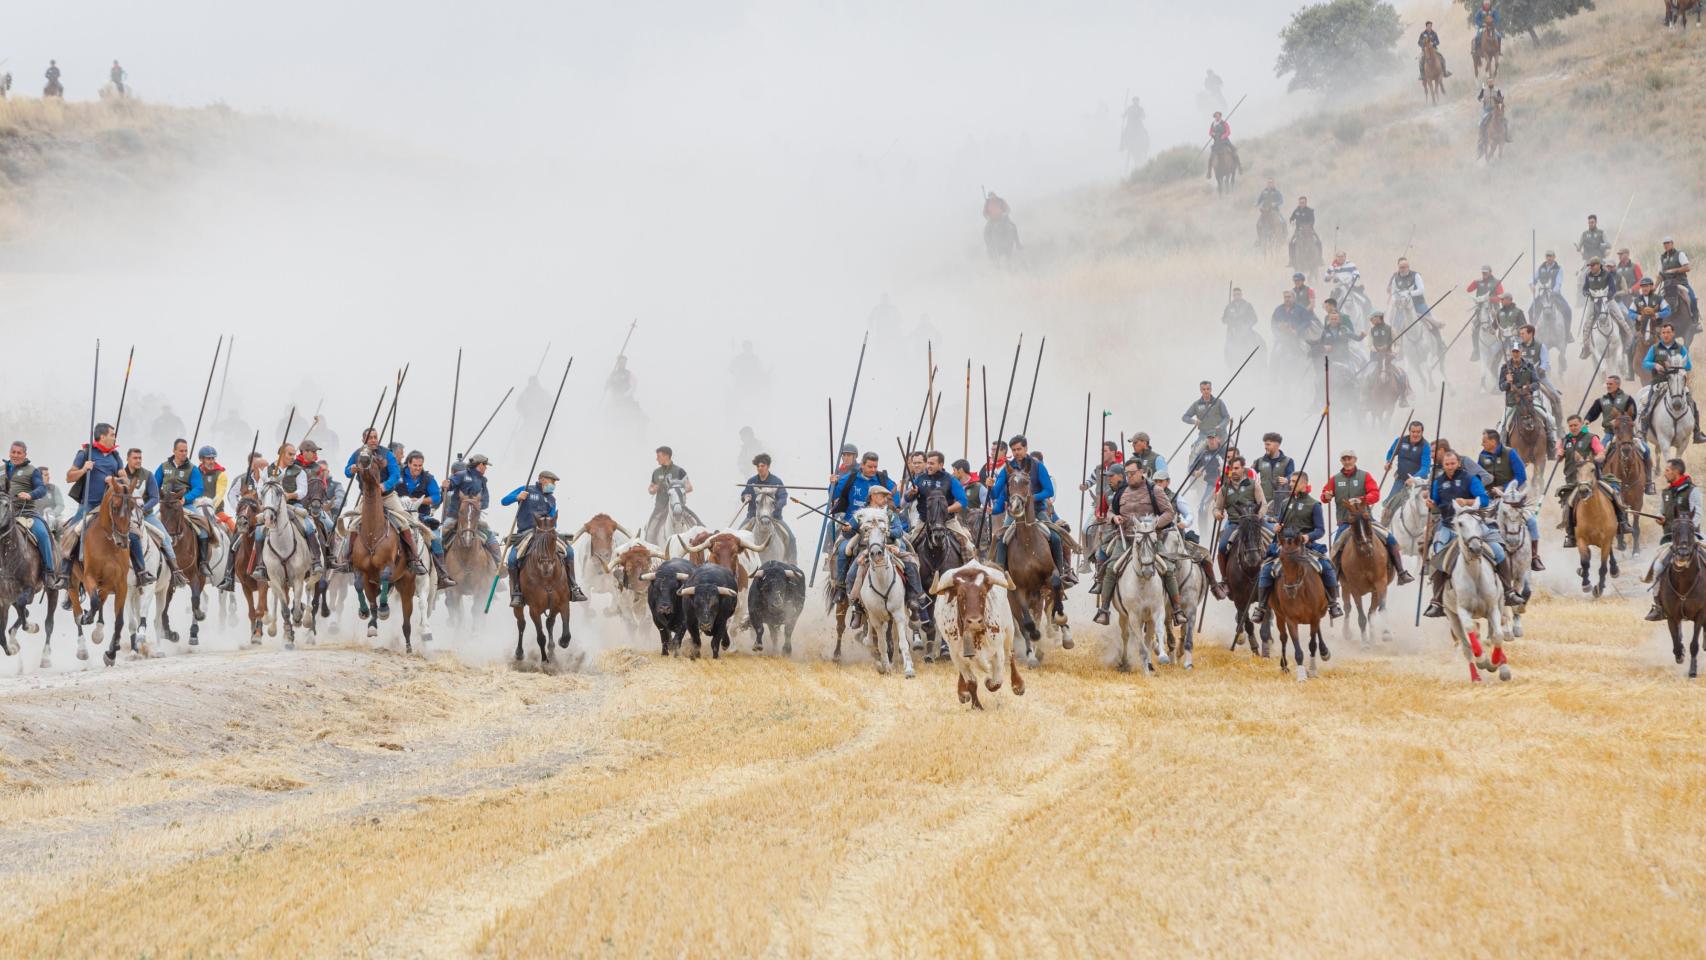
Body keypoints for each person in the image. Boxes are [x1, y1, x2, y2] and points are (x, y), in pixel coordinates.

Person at [1423, 450, 1524, 617]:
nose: (1450, 467)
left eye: (1452, 463)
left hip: (1473, 524)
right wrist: (1431, 504)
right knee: (1438, 557)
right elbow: (1436, 504)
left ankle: (1509, 591)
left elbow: (1484, 499)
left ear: (1458, 463)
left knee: (1498, 551)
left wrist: (1467, 501)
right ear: (1443, 465)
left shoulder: (1470, 479)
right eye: (1447, 464)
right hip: (1449, 525)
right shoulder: (1438, 482)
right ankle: (1437, 601)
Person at [1092, 458, 1185, 625]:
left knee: (1168, 568)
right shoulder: (1121, 492)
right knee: (1111, 568)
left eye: (1132, 473)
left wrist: (1154, 524)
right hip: (1125, 538)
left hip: (1150, 540)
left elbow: (1169, 513)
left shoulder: (1155, 490)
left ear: (1142, 472)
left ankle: (1177, 610)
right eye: (1127, 473)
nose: (1129, 476)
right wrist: (1114, 518)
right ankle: (1104, 610)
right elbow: (1111, 512)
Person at [1248, 470, 1343, 622]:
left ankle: (1333, 603)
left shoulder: (1314, 505)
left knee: (1326, 566)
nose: (1291, 484)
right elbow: (1280, 523)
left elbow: (1320, 530)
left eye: (1294, 482)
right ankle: (1261, 607)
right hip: (1285, 546)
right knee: (1266, 569)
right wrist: (1277, 527)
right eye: (1291, 481)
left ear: (1304, 484)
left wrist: (1307, 536)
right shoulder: (1285, 503)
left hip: (1306, 546)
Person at [335, 428, 429, 578]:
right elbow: (347, 472)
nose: (373, 440)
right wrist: (351, 469)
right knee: (352, 524)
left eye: (375, 437)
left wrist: (385, 485)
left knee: (405, 521)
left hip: (387, 496)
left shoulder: (387, 454)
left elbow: (395, 474)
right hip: (368, 499)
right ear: (364, 440)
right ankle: (347, 559)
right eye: (370, 438)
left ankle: (414, 558)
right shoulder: (357, 454)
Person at [837, 484, 932, 631]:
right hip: (866, 551)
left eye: (886, 497)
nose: (885, 499)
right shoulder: (860, 515)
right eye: (882, 496)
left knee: (911, 565)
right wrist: (847, 529)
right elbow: (849, 532)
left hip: (890, 548)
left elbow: (899, 531)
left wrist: (885, 532)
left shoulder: (890, 514)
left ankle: (916, 601)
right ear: (873, 496)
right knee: (850, 576)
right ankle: (857, 609)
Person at [990, 435, 1074, 587]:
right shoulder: (1007, 469)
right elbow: (995, 494)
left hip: (1037, 511)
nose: (1016, 452)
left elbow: (1049, 490)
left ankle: (1061, 573)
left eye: (1019, 449)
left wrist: (1030, 498)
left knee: (1055, 537)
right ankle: (1000, 573)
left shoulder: (1037, 466)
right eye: (1014, 450)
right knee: (1001, 538)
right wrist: (990, 486)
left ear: (1026, 448)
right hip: (1014, 513)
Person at [500, 470, 588, 606]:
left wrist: (550, 526)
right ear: (542, 479)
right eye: (552, 482)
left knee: (569, 551)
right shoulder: (526, 489)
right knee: (512, 559)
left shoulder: (552, 499)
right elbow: (504, 501)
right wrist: (517, 497)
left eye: (555, 483)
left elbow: (554, 520)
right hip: (526, 532)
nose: (553, 485)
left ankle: (573, 587)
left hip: (546, 532)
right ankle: (517, 592)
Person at [1326, 451, 1415, 584]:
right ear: (1341, 461)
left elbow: (1375, 494)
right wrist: (1326, 496)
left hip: (1366, 520)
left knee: (1390, 539)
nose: (1347, 462)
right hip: (1346, 521)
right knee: (1335, 548)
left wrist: (1362, 499)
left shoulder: (1365, 476)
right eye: (1344, 459)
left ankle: (1401, 572)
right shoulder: (1335, 479)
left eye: (1349, 459)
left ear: (1355, 460)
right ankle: (1335, 580)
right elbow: (1325, 495)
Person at [1556, 415, 1632, 547]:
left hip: (1593, 479)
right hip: (1574, 481)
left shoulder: (1591, 438)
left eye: (1575, 425)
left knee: (1613, 492)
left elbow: (1601, 452)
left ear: (1581, 425)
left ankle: (1622, 523)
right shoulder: (1564, 440)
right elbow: (1559, 456)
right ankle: (1571, 535)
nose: (1573, 428)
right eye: (1571, 426)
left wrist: (1598, 457)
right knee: (1568, 504)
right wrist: (1559, 454)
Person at [830, 452, 895, 601]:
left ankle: (911, 592)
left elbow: (894, 493)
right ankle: (840, 587)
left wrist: (892, 504)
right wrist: (833, 484)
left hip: (880, 529)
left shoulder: (881, 479)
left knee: (905, 549)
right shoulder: (850, 478)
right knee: (843, 550)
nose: (873, 470)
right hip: (853, 527)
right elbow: (833, 495)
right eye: (870, 466)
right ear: (862, 465)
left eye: (875, 467)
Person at [1644, 458, 1703, 620]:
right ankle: (1658, 606)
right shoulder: (1666, 492)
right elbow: (1662, 512)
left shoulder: (1693, 491)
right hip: (1670, 539)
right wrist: (1660, 518)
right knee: (1657, 567)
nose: (1665, 473)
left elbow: (1697, 514)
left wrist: (1688, 531)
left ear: (1676, 472)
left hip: (1692, 537)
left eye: (1667, 470)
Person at [1477, 429, 1545, 571]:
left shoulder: (1510, 453)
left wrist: (1504, 488)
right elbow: (1478, 478)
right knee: (1477, 522)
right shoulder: (1482, 456)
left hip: (1512, 498)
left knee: (1531, 522)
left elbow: (1521, 476)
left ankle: (1534, 557)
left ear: (1493, 442)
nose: (1482, 444)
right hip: (1490, 499)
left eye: (1484, 441)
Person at [124, 447, 188, 588]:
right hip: (124, 517)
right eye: (135, 458)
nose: (138, 460)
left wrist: (142, 509)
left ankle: (176, 571)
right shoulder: (121, 475)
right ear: (127, 459)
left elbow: (155, 498)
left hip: (146, 516)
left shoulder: (148, 475)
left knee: (165, 538)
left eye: (140, 458)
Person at [6, 442, 62, 589]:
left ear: (25, 455)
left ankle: (49, 572)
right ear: (9, 453)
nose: (15, 455)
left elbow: (42, 489)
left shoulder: (32, 471)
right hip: (4, 514)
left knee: (43, 534)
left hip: (27, 513)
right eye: (13, 452)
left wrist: (30, 495)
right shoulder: (1, 470)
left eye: (19, 453)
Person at [396, 451, 455, 589]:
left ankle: (442, 574)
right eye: (415, 465)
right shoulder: (397, 475)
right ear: (408, 463)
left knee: (436, 539)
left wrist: (420, 501)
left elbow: (436, 497)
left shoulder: (428, 478)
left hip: (421, 516)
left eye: (420, 465)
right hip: (398, 515)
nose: (418, 468)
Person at [1639, 322, 1706, 444]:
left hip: (1677, 384)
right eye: (1663, 333)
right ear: (1660, 334)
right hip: (1659, 383)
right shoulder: (1654, 348)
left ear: (1673, 333)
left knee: (1692, 404)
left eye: (1668, 332)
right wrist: (1655, 365)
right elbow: (1645, 363)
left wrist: (1678, 366)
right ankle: (1643, 433)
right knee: (1648, 405)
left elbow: (1688, 366)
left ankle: (1696, 433)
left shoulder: (1681, 348)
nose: (1665, 335)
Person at [154, 438, 211, 577]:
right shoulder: (163, 467)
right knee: (152, 527)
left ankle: (203, 563)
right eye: (181, 451)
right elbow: (155, 484)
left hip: (186, 505)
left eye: (186, 451)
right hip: (166, 506)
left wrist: (186, 498)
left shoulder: (192, 469)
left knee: (203, 528)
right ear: (174, 451)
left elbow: (198, 488)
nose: (184, 453)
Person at [441, 453, 504, 569]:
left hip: (473, 517)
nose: (486, 468)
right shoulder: (461, 475)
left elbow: (486, 500)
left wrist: (477, 504)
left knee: (490, 535)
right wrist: (447, 485)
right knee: (441, 535)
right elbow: (450, 485)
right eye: (485, 465)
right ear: (480, 465)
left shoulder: (482, 480)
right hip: (455, 515)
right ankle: (439, 565)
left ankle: (499, 563)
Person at [905, 451, 973, 557]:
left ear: (941, 465)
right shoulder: (920, 479)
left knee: (968, 548)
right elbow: (907, 498)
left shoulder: (950, 479)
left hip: (948, 521)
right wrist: (911, 493)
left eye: (932, 464)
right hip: (924, 521)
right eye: (928, 463)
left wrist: (944, 510)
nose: (928, 466)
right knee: (909, 547)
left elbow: (962, 502)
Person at [741, 453, 796, 563]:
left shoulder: (776, 482)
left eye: (762, 466)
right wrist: (745, 497)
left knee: (791, 538)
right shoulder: (751, 482)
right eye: (758, 466)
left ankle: (792, 563)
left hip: (774, 517)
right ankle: (740, 562)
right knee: (737, 536)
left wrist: (776, 506)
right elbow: (744, 494)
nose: (760, 468)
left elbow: (783, 497)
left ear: (768, 466)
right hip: (752, 517)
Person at [1514, 324, 1566, 440]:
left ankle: (1559, 426)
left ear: (1531, 334)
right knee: (1511, 399)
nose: (1521, 336)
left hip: (1539, 378)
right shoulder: (1517, 347)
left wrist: (1540, 370)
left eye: (1523, 333)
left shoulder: (1541, 346)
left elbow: (1545, 362)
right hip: (1521, 380)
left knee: (1556, 397)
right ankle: (1505, 429)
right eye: (1520, 334)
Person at [1212, 452, 1267, 561]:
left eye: (1236, 468)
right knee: (1222, 547)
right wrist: (1217, 514)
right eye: (1231, 469)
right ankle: (1224, 572)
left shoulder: (1253, 484)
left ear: (1243, 468)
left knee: (1274, 539)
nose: (1234, 471)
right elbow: (1217, 508)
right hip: (1235, 523)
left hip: (1255, 523)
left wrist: (1258, 516)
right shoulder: (1224, 489)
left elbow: (1264, 505)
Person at [1381, 420, 1431, 526]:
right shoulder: (1400, 441)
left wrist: (1414, 478)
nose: (1415, 434)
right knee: (1390, 503)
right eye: (1413, 432)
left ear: (1422, 432)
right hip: (1401, 479)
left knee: (1418, 506)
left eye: (1418, 432)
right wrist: (1388, 462)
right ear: (1409, 431)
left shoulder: (1425, 446)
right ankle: (1384, 526)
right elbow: (1391, 452)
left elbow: (1425, 468)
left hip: (1417, 483)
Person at [1362, 311, 1413, 404]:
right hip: (1376, 358)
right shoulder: (1371, 330)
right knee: (1367, 375)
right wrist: (1378, 349)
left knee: (1401, 374)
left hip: (1389, 357)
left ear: (1378, 318)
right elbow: (1370, 345)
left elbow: (1398, 344)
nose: (1371, 321)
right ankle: (1365, 398)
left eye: (1372, 319)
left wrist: (1394, 353)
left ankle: (1403, 397)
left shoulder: (1390, 329)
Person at [644, 445, 692, 544]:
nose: (656, 459)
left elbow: (689, 487)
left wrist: (677, 489)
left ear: (666, 456)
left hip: (677, 507)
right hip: (660, 508)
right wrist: (653, 489)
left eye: (659, 456)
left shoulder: (679, 471)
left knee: (695, 524)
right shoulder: (656, 472)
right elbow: (650, 488)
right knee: (650, 531)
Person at [1180, 380, 1231, 464]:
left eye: (1208, 389)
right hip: (1204, 435)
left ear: (1211, 389)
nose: (1206, 391)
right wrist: (1194, 421)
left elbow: (1227, 417)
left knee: (1231, 450)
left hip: (1220, 434)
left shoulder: (1219, 402)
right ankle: (1192, 470)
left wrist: (1220, 426)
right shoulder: (1196, 404)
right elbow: (1185, 417)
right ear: (1200, 390)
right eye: (1203, 389)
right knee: (1194, 451)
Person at [1530, 249, 1574, 337]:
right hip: (1542, 295)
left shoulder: (1558, 269)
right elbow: (1533, 279)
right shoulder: (1541, 268)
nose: (1549, 258)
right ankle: (1532, 332)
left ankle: (1567, 334)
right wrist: (1532, 285)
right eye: (1547, 256)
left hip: (1555, 295)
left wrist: (1554, 291)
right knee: (1531, 311)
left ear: (1554, 257)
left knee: (1567, 310)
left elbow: (1558, 283)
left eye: (1550, 256)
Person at [1253, 432, 1295, 514]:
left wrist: (1287, 479)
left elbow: (1292, 476)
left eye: (1268, 444)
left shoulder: (1288, 461)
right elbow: (1251, 477)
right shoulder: (1259, 461)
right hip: (1264, 503)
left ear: (1277, 445)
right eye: (1265, 444)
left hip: (1281, 502)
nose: (1265, 447)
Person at [1659, 236, 1698, 315]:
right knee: (1656, 302)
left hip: (1680, 283)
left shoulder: (1680, 254)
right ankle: (1658, 321)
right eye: (1664, 243)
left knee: (1693, 299)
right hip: (1667, 285)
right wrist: (1654, 287)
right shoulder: (1662, 257)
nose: (1666, 245)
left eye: (1668, 243)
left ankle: (1695, 318)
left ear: (1672, 243)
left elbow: (1687, 268)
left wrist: (1673, 270)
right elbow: (1660, 275)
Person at [1388, 257, 1431, 323]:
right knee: (1395, 323)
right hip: (1402, 305)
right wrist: (1397, 299)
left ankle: (1435, 328)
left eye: (1404, 267)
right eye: (1401, 268)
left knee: (1430, 319)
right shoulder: (1395, 278)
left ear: (1408, 267)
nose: (1402, 270)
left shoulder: (1416, 275)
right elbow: (1393, 292)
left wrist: (1409, 293)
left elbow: (1421, 289)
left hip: (1418, 303)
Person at [1205, 111, 1240, 180]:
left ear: (1220, 116)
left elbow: (1228, 131)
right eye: (1215, 116)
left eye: (1218, 116)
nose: (1217, 117)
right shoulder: (1213, 124)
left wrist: (1223, 136)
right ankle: (1209, 172)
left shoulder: (1224, 123)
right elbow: (1210, 132)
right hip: (1216, 142)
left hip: (1225, 141)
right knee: (1211, 156)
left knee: (1234, 151)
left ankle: (1239, 166)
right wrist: (1212, 134)